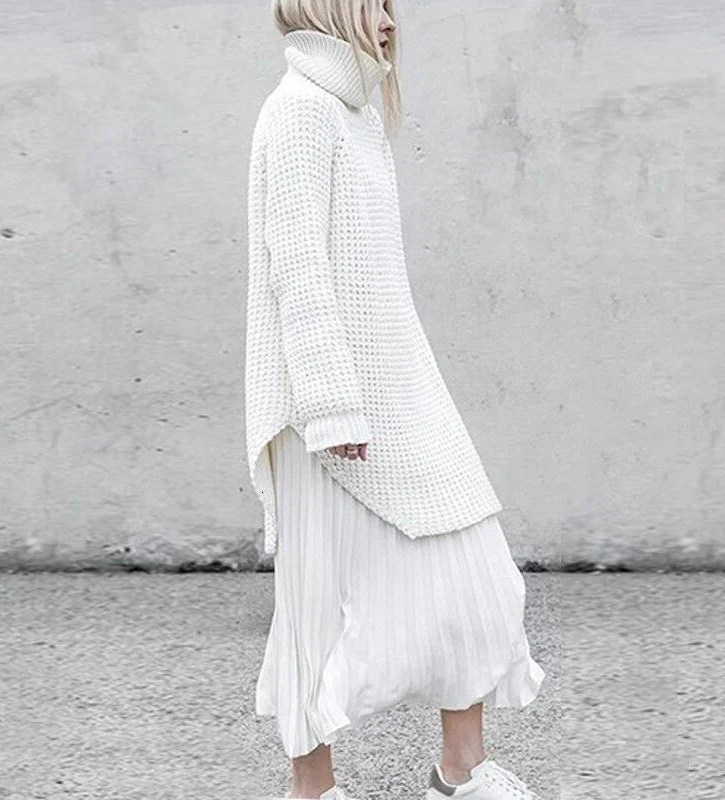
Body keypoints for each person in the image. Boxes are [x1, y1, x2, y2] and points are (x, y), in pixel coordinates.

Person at [244, 2, 547, 798]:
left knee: (476, 578)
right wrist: (331, 404)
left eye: (389, 5)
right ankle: (312, 789)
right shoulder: (300, 111)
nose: (388, 21)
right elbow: (296, 266)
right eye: (371, 5)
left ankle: (461, 770)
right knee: (316, 605)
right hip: (323, 410)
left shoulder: (358, 114)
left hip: (397, 389)